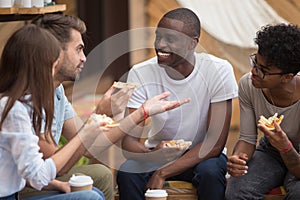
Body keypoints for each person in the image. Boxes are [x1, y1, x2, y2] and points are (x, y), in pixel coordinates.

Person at [117, 8, 238, 200]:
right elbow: (129, 142)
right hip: (158, 152)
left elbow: (214, 143)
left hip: (203, 155)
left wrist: (162, 172)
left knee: (211, 173)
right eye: (158, 36)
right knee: (127, 172)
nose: (160, 45)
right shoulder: (141, 72)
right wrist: (154, 156)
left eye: (171, 39)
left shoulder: (218, 70)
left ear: (193, 43)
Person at [19, 14, 132, 200]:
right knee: (92, 191)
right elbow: (56, 166)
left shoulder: (57, 92)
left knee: (101, 174)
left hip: (47, 175)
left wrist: (136, 115)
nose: (84, 58)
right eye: (78, 49)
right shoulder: (28, 98)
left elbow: (90, 147)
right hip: (25, 184)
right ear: (54, 53)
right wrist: (98, 115)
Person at [0, 24, 105, 200]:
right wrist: (84, 133)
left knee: (93, 193)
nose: (53, 74)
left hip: (15, 192)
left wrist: (59, 185)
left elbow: (27, 171)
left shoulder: (18, 103)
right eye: (53, 67)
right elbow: (38, 175)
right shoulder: (13, 109)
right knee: (90, 197)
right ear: (39, 68)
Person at [225, 24, 300, 199]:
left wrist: (285, 147)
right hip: (271, 150)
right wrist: (238, 159)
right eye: (255, 62)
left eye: (263, 70)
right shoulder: (248, 85)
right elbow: (247, 138)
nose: (253, 72)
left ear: (287, 77)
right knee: (237, 191)